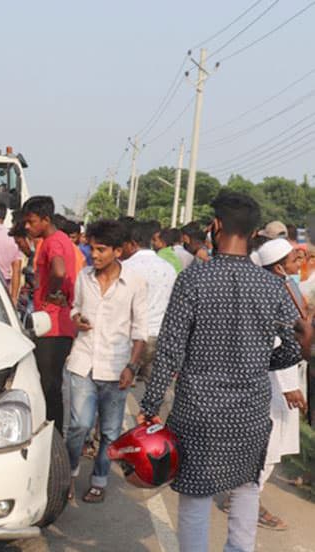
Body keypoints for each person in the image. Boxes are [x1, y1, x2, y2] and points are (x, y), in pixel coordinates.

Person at [139, 192, 309, 552]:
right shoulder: (270, 286)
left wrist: (151, 403)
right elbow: (292, 349)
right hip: (249, 411)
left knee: (196, 498)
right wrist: (255, 360)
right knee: (247, 490)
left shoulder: (193, 280)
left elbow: (169, 349)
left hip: (197, 410)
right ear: (252, 233)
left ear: (216, 227)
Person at [65, 220, 147, 503]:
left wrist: (131, 367)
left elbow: (140, 331)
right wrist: (77, 319)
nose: (94, 255)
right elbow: (74, 308)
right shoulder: (84, 276)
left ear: (118, 251)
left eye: (101, 249)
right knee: (80, 424)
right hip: (83, 361)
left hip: (116, 366)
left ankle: (99, 478)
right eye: (92, 248)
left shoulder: (135, 282)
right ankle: (69, 473)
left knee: (110, 432)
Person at [234, 238, 310, 531]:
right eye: (294, 259)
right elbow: (276, 344)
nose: (299, 263)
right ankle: (246, 502)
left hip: (282, 377)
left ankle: (246, 497)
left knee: (273, 443)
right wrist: (290, 385)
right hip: (275, 382)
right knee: (269, 443)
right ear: (279, 266)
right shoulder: (272, 292)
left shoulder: (282, 285)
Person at [23, 196, 79, 431]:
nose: (27, 226)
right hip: (58, 321)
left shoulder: (52, 242)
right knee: (52, 383)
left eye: (31, 221)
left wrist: (50, 293)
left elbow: (59, 270)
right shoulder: (62, 239)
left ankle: (52, 437)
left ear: (45, 220)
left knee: (49, 385)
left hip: (52, 322)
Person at [121, 220, 177, 382]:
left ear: (131, 244)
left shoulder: (126, 267)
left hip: (133, 336)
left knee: (121, 386)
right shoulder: (168, 267)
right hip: (160, 335)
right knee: (158, 388)